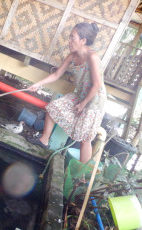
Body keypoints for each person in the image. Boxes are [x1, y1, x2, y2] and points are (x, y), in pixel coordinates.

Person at [25, 22, 107, 165]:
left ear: (83, 41)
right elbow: (56, 74)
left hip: (94, 101)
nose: (69, 41)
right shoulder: (72, 56)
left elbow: (97, 85)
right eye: (69, 37)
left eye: (72, 38)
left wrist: (83, 104)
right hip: (80, 95)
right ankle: (44, 140)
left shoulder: (92, 57)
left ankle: (81, 175)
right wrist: (37, 84)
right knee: (53, 107)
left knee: (85, 140)